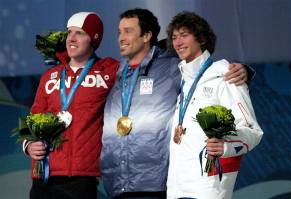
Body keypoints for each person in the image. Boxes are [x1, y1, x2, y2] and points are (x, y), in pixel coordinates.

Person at [101, 8, 252, 199]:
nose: (120, 38)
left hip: (154, 183)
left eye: (128, 31)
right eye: (119, 32)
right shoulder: (114, 72)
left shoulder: (171, 66)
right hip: (117, 183)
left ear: (147, 35)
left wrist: (243, 71)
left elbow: (205, 70)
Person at [166, 11, 263, 199]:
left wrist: (225, 145)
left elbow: (253, 130)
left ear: (201, 38)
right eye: (174, 37)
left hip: (208, 188)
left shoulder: (225, 76)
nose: (177, 43)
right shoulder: (185, 82)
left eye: (184, 35)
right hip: (177, 187)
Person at [23, 12, 119, 199]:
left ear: (94, 39)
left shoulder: (108, 71)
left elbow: (136, 63)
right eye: (69, 33)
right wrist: (28, 145)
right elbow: (33, 116)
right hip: (43, 174)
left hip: (80, 179)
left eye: (80, 33)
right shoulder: (50, 76)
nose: (71, 39)